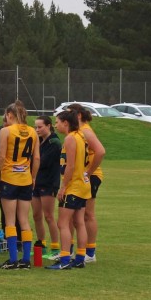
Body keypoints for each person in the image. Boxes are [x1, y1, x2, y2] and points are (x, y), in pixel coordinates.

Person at [0, 100, 40, 270]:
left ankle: (12, 259)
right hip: (26, 179)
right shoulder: (33, 132)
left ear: (9, 115)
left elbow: (2, 157)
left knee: (10, 222)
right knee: (24, 221)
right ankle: (26, 260)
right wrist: (33, 177)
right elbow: (37, 158)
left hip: (10, 179)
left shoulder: (5, 131)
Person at [47, 111, 91, 270]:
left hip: (74, 186)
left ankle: (65, 259)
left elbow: (70, 165)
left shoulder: (71, 138)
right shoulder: (81, 136)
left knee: (62, 223)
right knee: (79, 222)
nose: (55, 125)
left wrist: (63, 187)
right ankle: (80, 258)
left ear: (66, 123)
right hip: (83, 185)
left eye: (57, 122)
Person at [68, 103, 107, 264]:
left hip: (90, 177)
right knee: (72, 215)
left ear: (78, 116)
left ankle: (90, 252)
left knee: (87, 214)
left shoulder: (85, 131)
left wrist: (89, 172)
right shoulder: (77, 132)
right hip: (79, 177)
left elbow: (101, 151)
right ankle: (69, 250)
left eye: (69, 114)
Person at [32, 115, 62, 256]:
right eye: (35, 127)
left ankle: (55, 248)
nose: (37, 129)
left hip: (48, 183)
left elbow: (42, 162)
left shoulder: (54, 143)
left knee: (48, 216)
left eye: (40, 127)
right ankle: (41, 244)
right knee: (36, 215)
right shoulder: (37, 141)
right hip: (35, 182)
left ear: (48, 126)